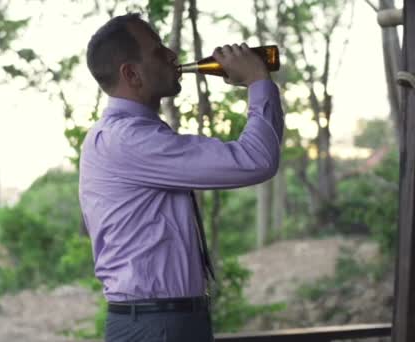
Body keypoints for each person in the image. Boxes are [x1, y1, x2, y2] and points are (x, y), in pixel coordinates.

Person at [79, 13, 284, 342]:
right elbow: (256, 160)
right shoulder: (129, 139)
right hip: (156, 325)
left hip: (165, 319)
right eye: (159, 51)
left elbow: (261, 157)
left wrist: (260, 84)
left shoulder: (129, 134)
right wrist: (258, 81)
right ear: (131, 74)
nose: (173, 55)